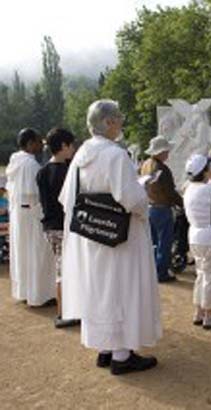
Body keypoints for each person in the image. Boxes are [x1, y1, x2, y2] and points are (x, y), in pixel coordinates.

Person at [59, 100, 161, 375]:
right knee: (121, 288)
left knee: (100, 290)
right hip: (120, 237)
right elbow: (130, 199)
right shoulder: (115, 155)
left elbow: (66, 197)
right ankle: (121, 354)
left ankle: (105, 348)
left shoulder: (82, 154)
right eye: (118, 118)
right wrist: (143, 197)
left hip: (92, 233)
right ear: (107, 123)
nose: (121, 123)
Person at [6, 128, 56, 306]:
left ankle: (25, 291)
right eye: (36, 142)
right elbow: (36, 193)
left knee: (23, 254)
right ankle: (39, 295)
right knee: (37, 253)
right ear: (29, 143)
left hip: (19, 215)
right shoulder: (31, 165)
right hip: (32, 215)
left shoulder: (15, 162)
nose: (40, 145)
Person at [36, 128, 80, 328]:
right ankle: (65, 312)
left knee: (62, 268)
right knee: (65, 270)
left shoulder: (43, 171)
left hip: (50, 226)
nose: (74, 149)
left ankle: (68, 310)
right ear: (63, 146)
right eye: (71, 145)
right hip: (63, 227)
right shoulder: (65, 172)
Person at [183, 154, 211, 330]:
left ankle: (199, 312)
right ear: (206, 170)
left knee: (201, 275)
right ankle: (209, 316)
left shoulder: (189, 188)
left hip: (194, 235)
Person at [141, 135, 183, 283]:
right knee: (164, 243)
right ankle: (161, 273)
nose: (167, 154)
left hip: (150, 207)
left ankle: (152, 271)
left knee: (152, 242)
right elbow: (170, 192)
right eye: (166, 151)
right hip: (162, 209)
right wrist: (183, 203)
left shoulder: (146, 164)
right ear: (161, 152)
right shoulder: (162, 169)